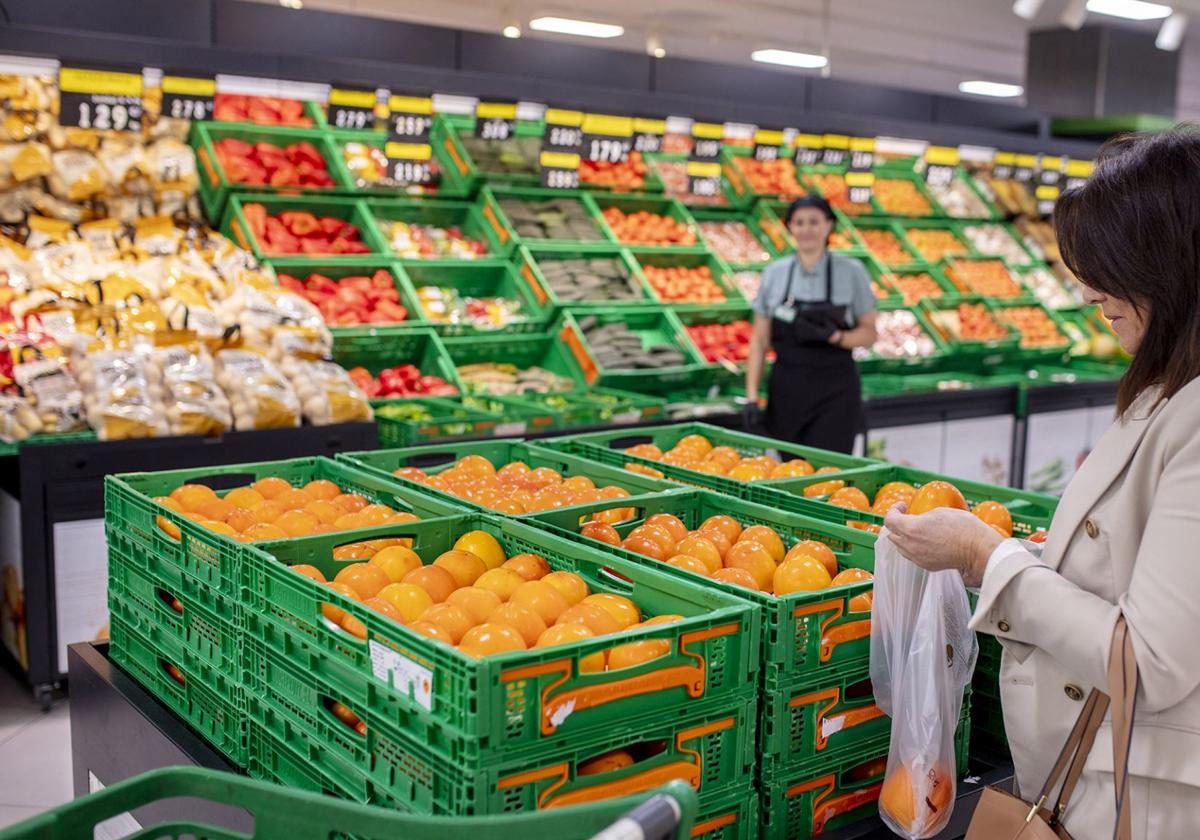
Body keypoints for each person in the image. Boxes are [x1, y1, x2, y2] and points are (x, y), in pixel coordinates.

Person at [884, 128, 1200, 838]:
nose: (1088, 292)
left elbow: (1148, 663)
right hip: (1104, 770)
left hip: (1139, 797)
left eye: (1109, 266)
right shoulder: (1169, 386)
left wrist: (985, 558)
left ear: (1174, 265)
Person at [744, 195, 877, 453]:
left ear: (829, 225)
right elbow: (759, 341)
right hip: (786, 393)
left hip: (835, 394)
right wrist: (751, 398)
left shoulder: (852, 272)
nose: (807, 230)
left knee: (829, 475)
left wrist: (838, 337)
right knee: (790, 475)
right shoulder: (774, 274)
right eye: (799, 222)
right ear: (790, 227)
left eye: (814, 222)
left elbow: (869, 334)